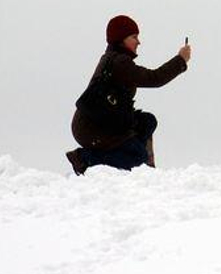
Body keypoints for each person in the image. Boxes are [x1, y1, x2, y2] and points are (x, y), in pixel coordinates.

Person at [66, 15, 191, 175]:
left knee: (147, 121)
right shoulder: (119, 63)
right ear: (121, 39)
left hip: (102, 122)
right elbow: (155, 78)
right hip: (93, 128)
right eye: (134, 37)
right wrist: (181, 60)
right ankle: (84, 158)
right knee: (136, 156)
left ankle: (143, 165)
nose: (138, 42)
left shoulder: (114, 59)